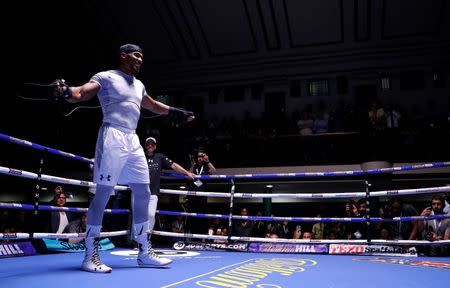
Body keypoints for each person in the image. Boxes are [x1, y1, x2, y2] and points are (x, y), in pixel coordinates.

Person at [53, 43, 194, 273]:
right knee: (103, 193)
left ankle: (144, 252)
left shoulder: (139, 85)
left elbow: (153, 105)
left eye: (142, 56)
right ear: (123, 55)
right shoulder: (106, 76)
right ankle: (90, 255)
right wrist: (66, 91)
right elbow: (81, 92)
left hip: (132, 139)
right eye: (137, 54)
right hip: (112, 136)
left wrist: (175, 111)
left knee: (143, 191)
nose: (140, 59)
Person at [143, 136, 195, 246]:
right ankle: (137, 243)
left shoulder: (159, 157)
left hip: (153, 192)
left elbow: (174, 165)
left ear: (155, 146)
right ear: (145, 145)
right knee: (138, 217)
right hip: (139, 191)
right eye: (148, 144)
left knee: (151, 215)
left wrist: (187, 173)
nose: (150, 145)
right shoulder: (140, 156)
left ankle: (147, 240)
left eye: (152, 144)